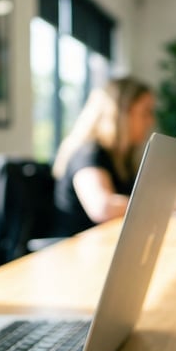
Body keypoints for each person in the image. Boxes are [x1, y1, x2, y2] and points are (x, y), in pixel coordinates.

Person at [52, 76, 156, 236]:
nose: (150, 121)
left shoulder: (123, 159)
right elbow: (102, 207)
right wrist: (159, 204)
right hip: (75, 252)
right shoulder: (89, 154)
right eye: (145, 112)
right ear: (121, 114)